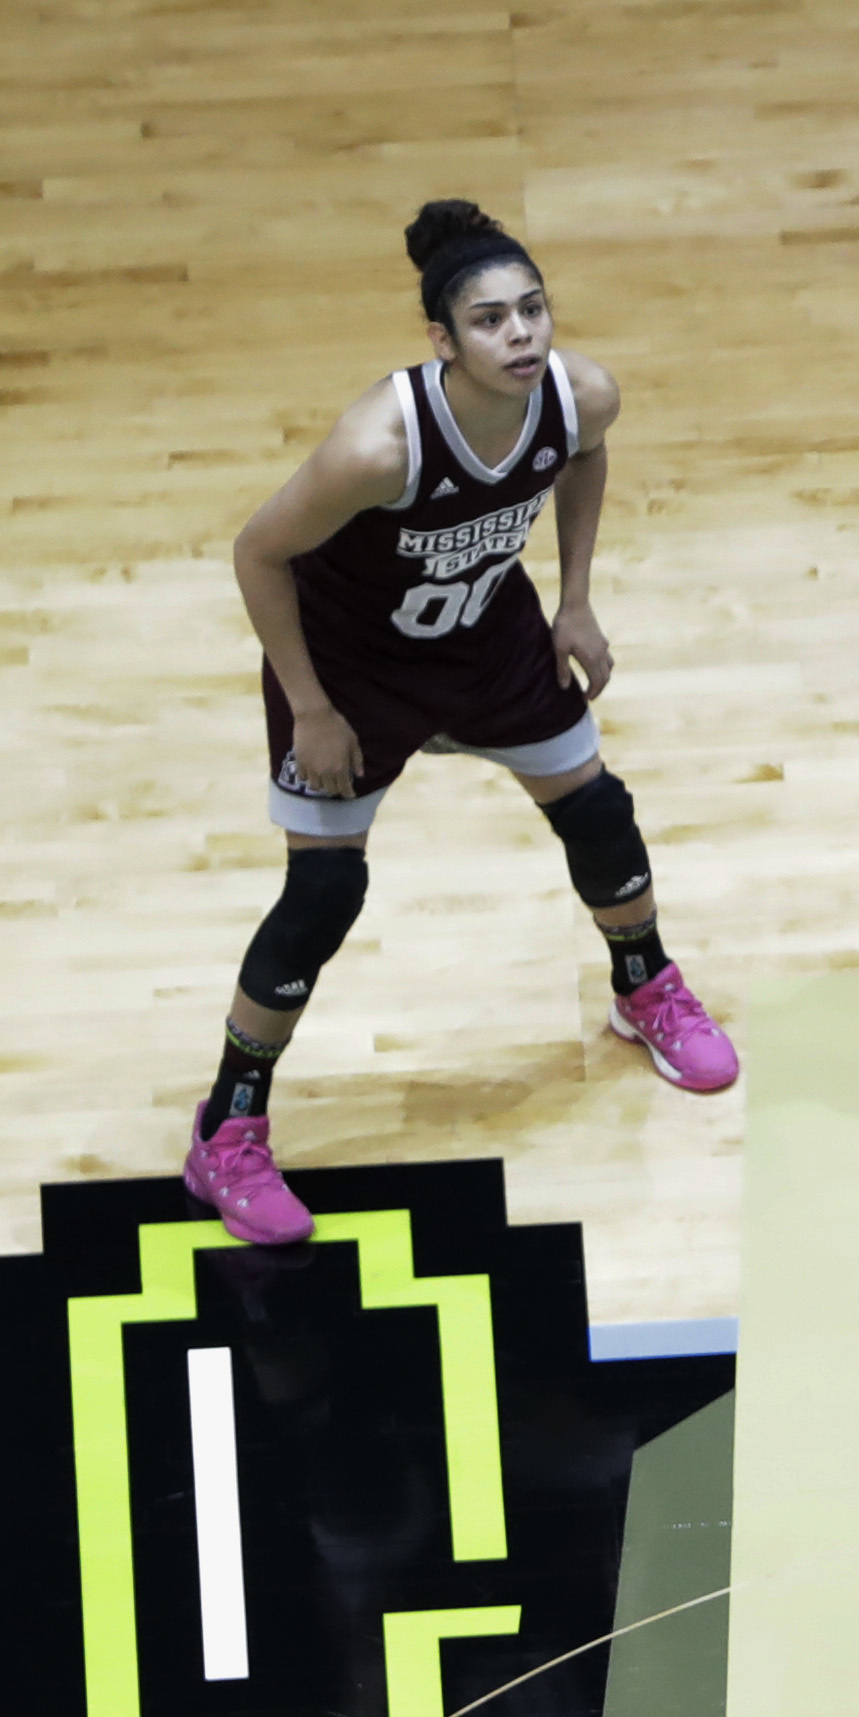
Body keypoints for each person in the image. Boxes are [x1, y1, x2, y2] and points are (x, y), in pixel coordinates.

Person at [182, 200, 736, 1249]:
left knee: (598, 811)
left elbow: (582, 456)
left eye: (533, 311)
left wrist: (574, 596)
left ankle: (642, 986)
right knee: (323, 891)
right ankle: (228, 1128)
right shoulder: (376, 447)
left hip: (488, 638)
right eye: (490, 321)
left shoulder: (581, 397)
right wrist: (312, 708)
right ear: (443, 341)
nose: (521, 334)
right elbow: (258, 554)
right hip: (354, 671)